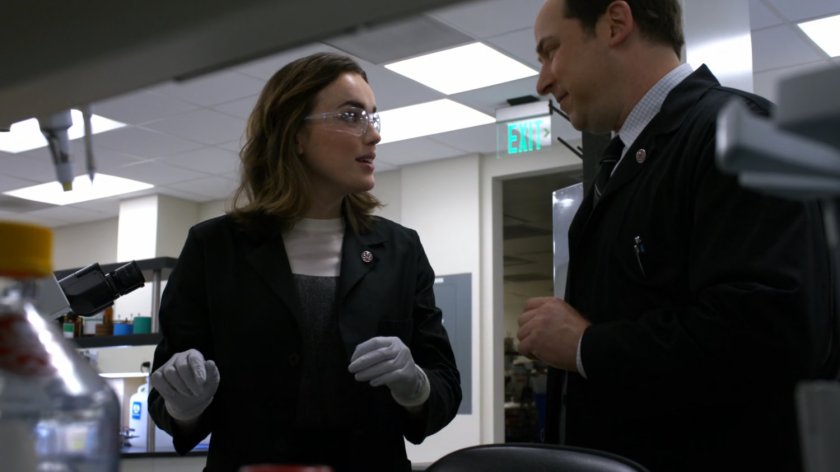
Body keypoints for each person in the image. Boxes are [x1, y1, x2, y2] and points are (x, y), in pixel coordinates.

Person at [516, 1, 838, 471]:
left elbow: (771, 335)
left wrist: (586, 346)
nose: (542, 80)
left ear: (615, 23)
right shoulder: (623, 166)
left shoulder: (738, 132)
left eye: (550, 52)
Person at [147, 52, 462, 472]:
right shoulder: (214, 248)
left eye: (373, 117)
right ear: (294, 134)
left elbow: (443, 388)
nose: (374, 136)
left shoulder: (399, 249)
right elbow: (166, 394)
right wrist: (184, 404)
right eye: (352, 116)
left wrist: (414, 384)